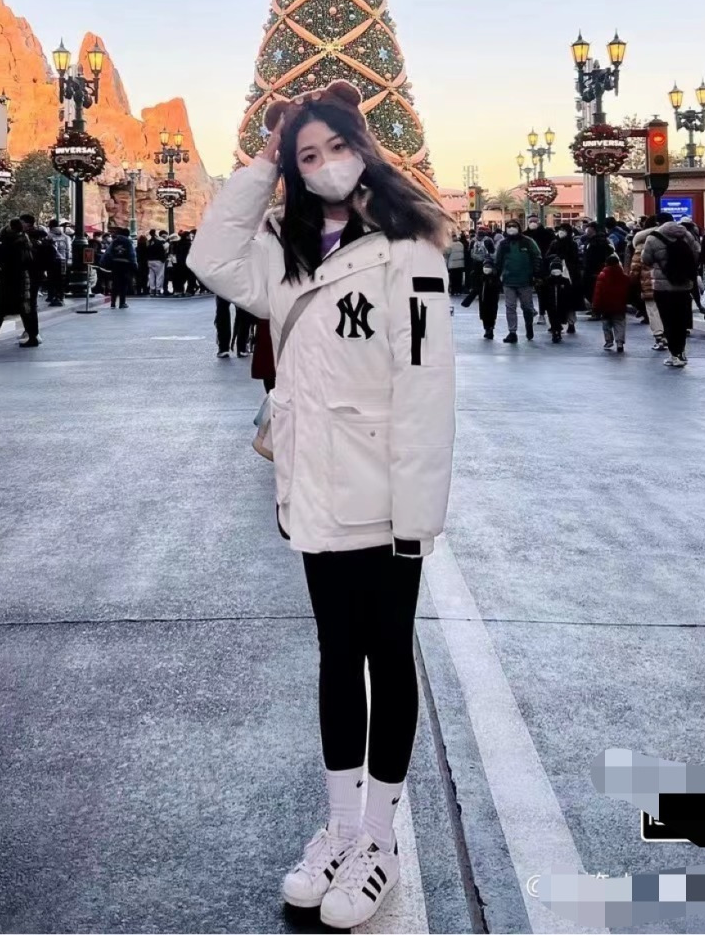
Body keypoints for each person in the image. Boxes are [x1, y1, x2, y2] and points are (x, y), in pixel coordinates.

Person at [187, 79, 455, 928]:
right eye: (307, 155)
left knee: (388, 657)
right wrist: (263, 162)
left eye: (337, 145)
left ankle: (379, 839)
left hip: (384, 500)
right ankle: (340, 827)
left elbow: (426, 390)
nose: (326, 163)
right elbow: (210, 257)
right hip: (313, 494)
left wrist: (417, 516)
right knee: (337, 657)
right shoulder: (281, 250)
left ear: (363, 147)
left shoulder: (409, 248)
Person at [641, 214, 701, 368]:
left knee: (668, 321)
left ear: (658, 223)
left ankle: (675, 355)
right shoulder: (686, 234)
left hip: (662, 288)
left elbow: (646, 260)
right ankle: (681, 351)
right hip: (684, 285)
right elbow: (696, 253)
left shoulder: (652, 238)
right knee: (681, 321)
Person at [0, 219, 39, 348]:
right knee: (19, 311)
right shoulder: (24, 241)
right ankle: (32, 337)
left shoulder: (11, 243)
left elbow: (4, 259)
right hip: (20, 281)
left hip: (11, 281)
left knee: (6, 311)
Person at [494, 220, 542, 343]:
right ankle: (512, 332)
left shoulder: (528, 242)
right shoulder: (503, 244)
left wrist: (536, 274)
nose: (511, 228)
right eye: (509, 226)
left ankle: (529, 326)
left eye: (514, 226)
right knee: (510, 307)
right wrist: (496, 277)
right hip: (508, 281)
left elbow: (537, 257)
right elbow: (498, 261)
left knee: (527, 307)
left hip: (525, 280)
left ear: (519, 228)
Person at [629, 217, 666, 351]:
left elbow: (635, 267)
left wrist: (632, 282)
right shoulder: (669, 240)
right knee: (666, 310)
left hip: (648, 282)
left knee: (653, 310)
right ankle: (669, 335)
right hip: (669, 282)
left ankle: (659, 336)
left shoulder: (641, 244)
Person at [591, 252, 630, 353]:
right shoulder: (623, 276)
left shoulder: (602, 275)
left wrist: (595, 306)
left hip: (606, 305)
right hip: (619, 305)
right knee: (620, 323)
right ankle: (620, 342)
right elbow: (629, 291)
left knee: (606, 324)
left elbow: (598, 292)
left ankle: (608, 340)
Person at [461, 254, 500, 340]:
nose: (486, 268)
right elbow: (476, 289)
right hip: (483, 301)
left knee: (491, 315)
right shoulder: (481, 277)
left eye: (488, 267)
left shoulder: (494, 277)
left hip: (492, 301)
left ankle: (490, 329)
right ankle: (487, 329)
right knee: (484, 315)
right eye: (485, 266)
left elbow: (498, 286)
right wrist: (467, 301)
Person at [579, 223, 612, 310]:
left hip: (595, 269)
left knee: (593, 289)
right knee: (588, 289)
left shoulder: (599, 241)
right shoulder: (589, 241)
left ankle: (597, 308)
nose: (586, 230)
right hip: (589, 269)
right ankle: (595, 306)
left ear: (593, 229)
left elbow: (604, 254)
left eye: (588, 228)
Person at [541, 254, 571, 343]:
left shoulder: (549, 281)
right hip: (554, 305)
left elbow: (542, 295)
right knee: (555, 318)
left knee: (555, 318)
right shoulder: (562, 281)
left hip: (557, 304)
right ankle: (556, 332)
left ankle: (556, 332)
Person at [103, 227, 136, 308]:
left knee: (115, 284)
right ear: (128, 234)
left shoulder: (114, 241)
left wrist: (107, 262)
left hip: (115, 264)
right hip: (125, 265)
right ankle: (122, 303)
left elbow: (108, 253)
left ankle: (113, 303)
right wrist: (134, 264)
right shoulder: (128, 242)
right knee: (123, 284)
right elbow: (132, 254)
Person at [46, 219, 70, 305]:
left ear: (50, 226)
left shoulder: (48, 236)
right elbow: (68, 250)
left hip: (52, 260)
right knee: (61, 279)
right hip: (63, 260)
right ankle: (60, 295)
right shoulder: (65, 236)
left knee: (51, 278)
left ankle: (51, 295)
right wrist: (67, 260)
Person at [145, 229, 167, 296]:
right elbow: (162, 251)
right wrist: (163, 259)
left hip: (150, 260)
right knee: (159, 275)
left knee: (151, 276)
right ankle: (158, 290)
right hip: (158, 260)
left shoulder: (148, 242)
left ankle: (152, 290)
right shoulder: (159, 242)